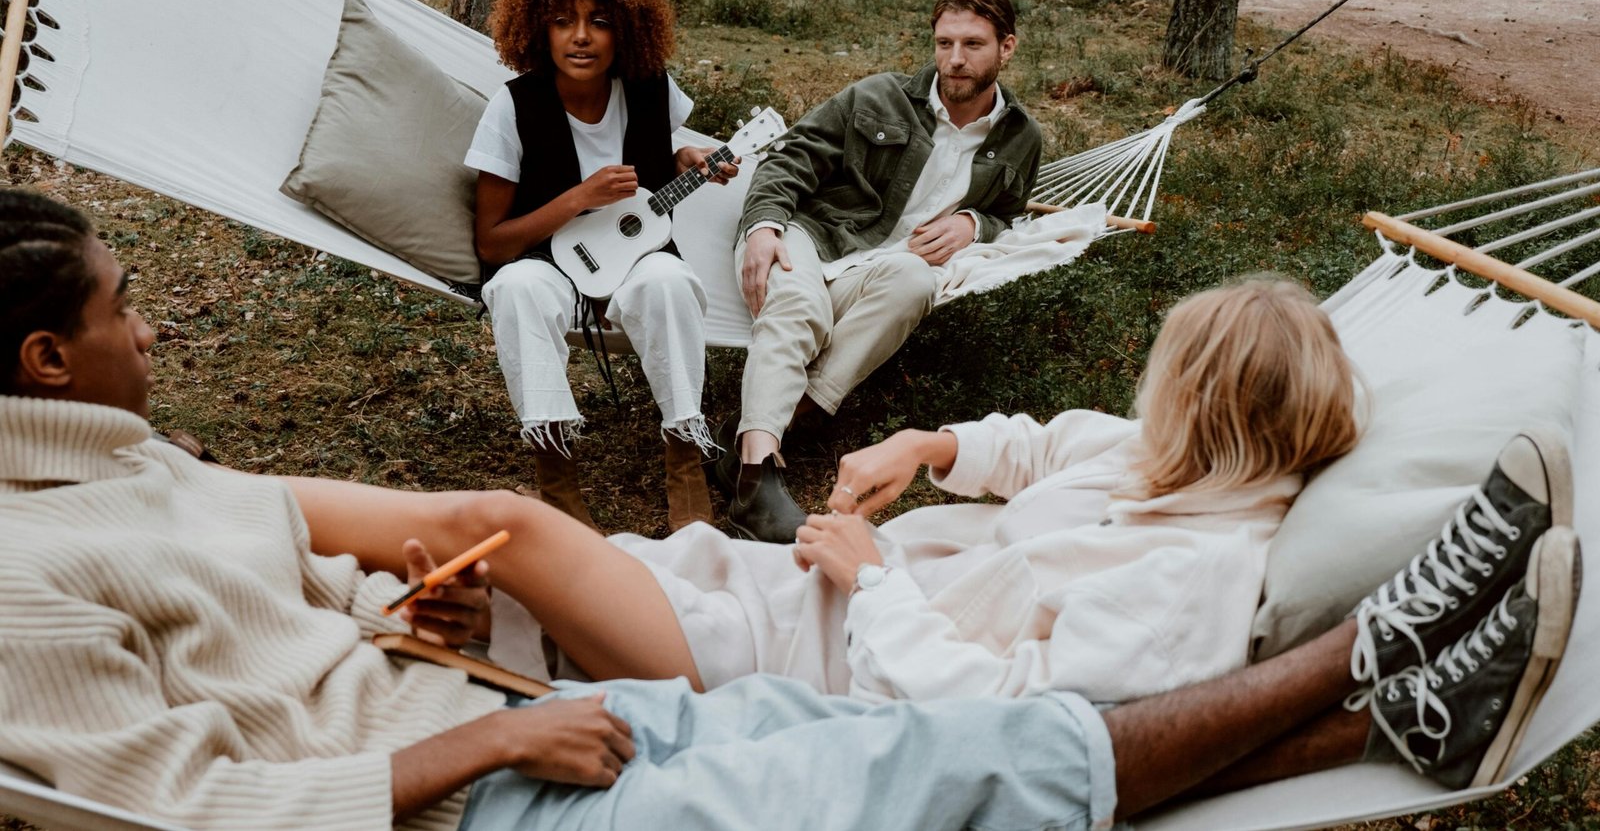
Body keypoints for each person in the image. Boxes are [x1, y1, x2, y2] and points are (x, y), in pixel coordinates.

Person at [0, 189, 1581, 829]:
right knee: (923, 763)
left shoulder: (145, 463)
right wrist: (476, 738)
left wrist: (395, 609)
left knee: (905, 759)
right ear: (46, 357)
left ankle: (1388, 700)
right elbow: (176, 809)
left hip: (523, 707)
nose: (161, 330)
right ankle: (1372, 671)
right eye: (132, 306)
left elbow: (266, 618)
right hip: (469, 785)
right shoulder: (19, 578)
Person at [393, 277, 1362, 707]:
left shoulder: (1192, 578)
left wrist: (870, 582)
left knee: (509, 523)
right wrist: (932, 440)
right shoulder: (1173, 464)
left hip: (801, 667)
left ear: (1197, 407)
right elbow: (1050, 444)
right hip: (780, 586)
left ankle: (247, 507)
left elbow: (1008, 708)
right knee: (558, 566)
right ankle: (495, 622)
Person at [716, 0, 1045, 543]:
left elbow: (1009, 213)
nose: (955, 60)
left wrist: (973, 223)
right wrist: (764, 227)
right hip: (815, 240)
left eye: (972, 45)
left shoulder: (1021, 137)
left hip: (879, 272)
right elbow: (787, 160)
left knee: (918, 281)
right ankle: (757, 477)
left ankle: (771, 429)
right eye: (944, 43)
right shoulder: (877, 97)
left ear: (1006, 48)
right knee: (796, 300)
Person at [464, 0, 733, 531]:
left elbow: (653, 153)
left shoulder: (649, 90)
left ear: (628, 29)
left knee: (669, 281)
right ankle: (556, 476)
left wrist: (683, 155)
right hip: (542, 261)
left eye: (599, 21)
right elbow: (493, 242)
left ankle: (685, 461)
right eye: (563, 21)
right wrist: (577, 199)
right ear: (539, 28)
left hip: (635, 261)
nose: (580, 36)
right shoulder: (513, 109)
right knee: (517, 291)